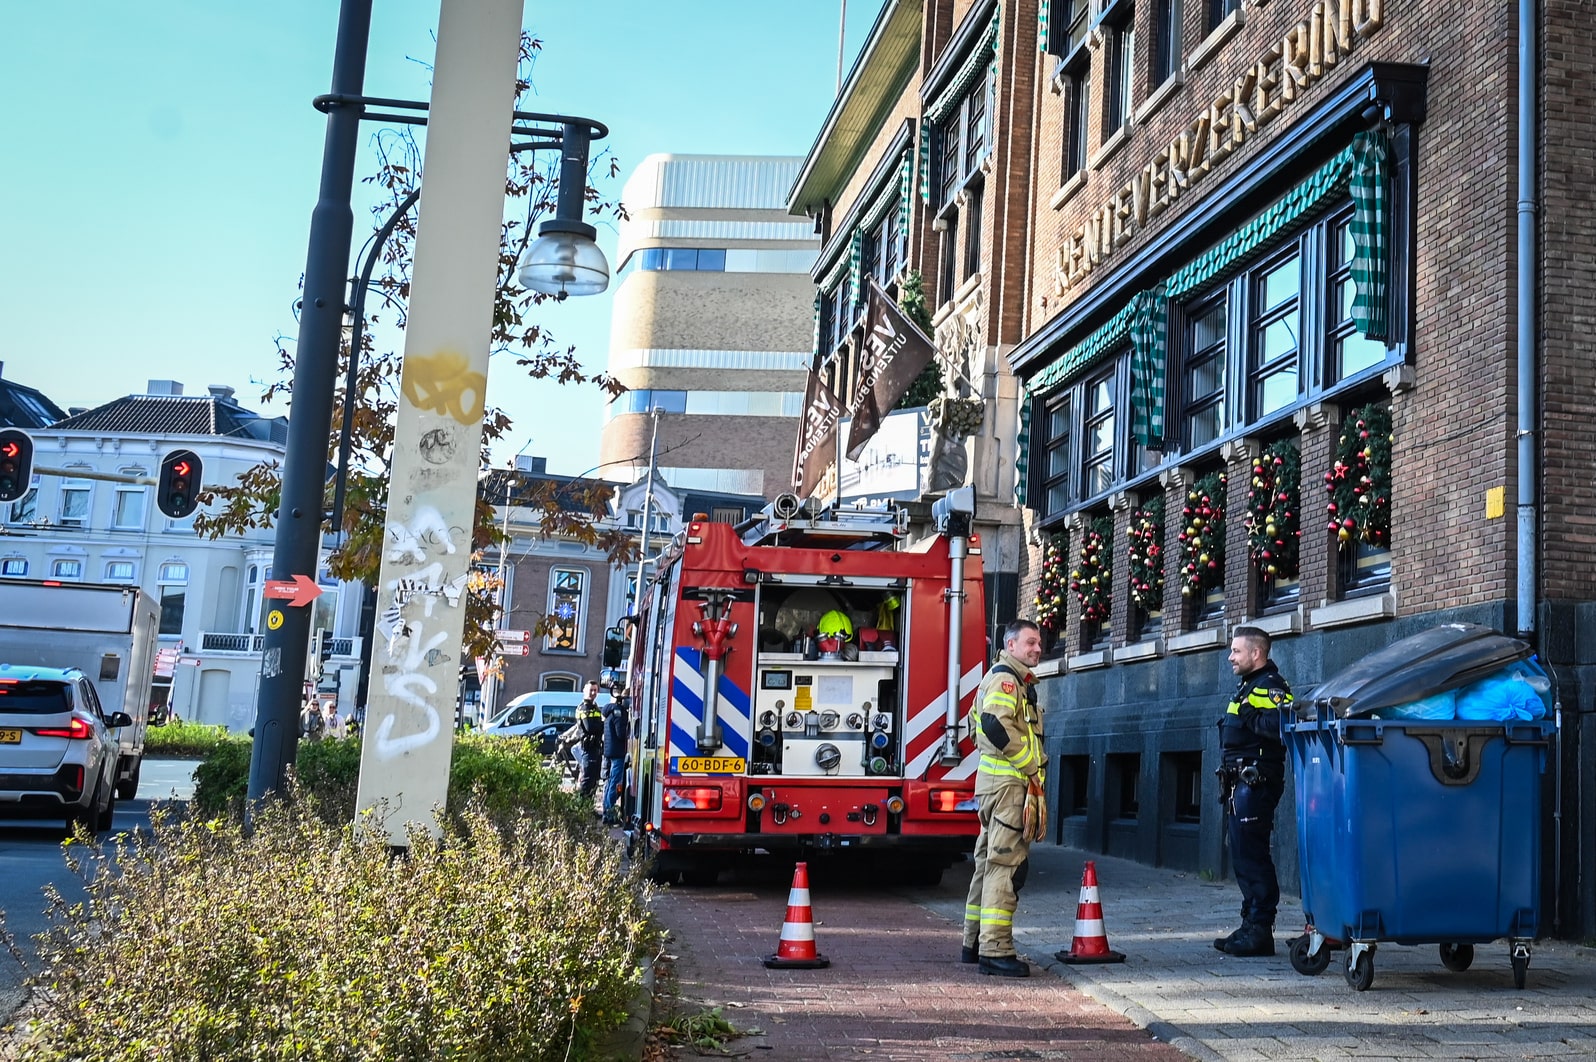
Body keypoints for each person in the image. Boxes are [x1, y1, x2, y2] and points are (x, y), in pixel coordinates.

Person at [962, 619, 1046, 978]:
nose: (1037, 648)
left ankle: (974, 943)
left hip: (995, 785)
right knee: (1006, 866)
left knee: (987, 862)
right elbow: (994, 725)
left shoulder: (1002, 678)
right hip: (1009, 788)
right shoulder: (1006, 680)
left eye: (1039, 643)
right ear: (1010, 646)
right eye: (1029, 642)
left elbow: (973, 724)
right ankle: (995, 951)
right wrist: (1030, 766)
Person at [1213, 625, 1294, 958]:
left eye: (1236, 651)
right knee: (1243, 854)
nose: (1231, 656)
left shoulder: (1272, 687)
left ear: (1256, 653)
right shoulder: (1248, 685)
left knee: (1253, 854)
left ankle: (1260, 929)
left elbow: (1282, 727)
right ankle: (1251, 925)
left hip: (1256, 780)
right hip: (1240, 782)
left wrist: (1250, 715)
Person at [600, 689, 630, 824]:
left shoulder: (610, 711)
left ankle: (606, 811)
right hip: (617, 752)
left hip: (609, 750)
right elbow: (621, 734)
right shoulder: (620, 713)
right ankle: (610, 813)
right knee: (615, 782)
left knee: (609, 781)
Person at [573, 681, 605, 802]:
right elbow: (590, 727)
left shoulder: (593, 706)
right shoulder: (585, 707)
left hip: (595, 747)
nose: (593, 693)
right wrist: (603, 724)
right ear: (584, 691)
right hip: (588, 747)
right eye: (590, 690)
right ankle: (581, 808)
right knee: (587, 779)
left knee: (594, 779)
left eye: (595, 690)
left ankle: (588, 808)